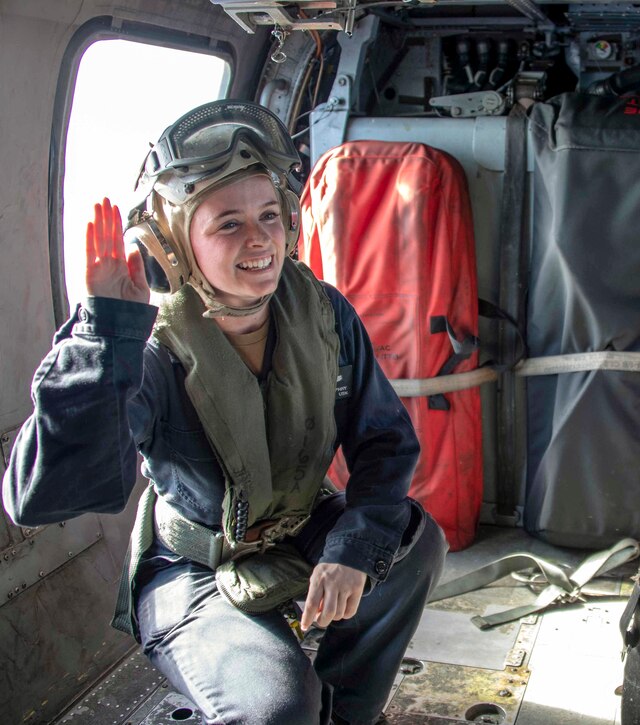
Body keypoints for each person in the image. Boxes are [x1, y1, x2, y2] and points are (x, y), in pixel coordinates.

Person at [2, 100, 446, 725]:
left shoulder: (322, 312)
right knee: (278, 710)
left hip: (301, 524)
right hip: (194, 565)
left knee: (411, 543)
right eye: (228, 224)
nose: (260, 239)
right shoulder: (148, 347)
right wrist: (104, 337)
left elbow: (383, 443)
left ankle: (346, 713)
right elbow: (41, 498)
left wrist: (351, 547)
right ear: (175, 245)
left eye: (269, 215)